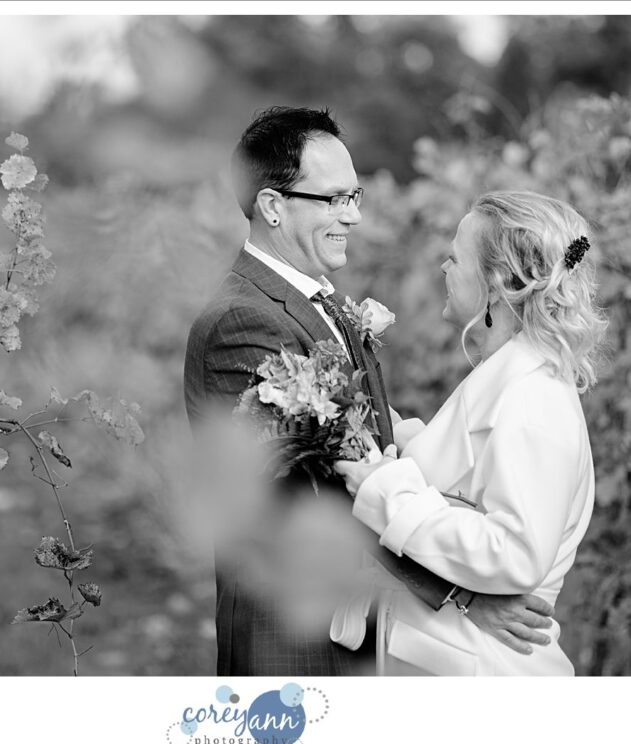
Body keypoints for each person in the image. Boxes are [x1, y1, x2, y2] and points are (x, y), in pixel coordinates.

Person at [183, 107, 556, 676]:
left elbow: (362, 446)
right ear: (273, 206)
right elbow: (320, 485)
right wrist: (462, 593)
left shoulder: (320, 301)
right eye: (333, 200)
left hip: (355, 619)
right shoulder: (242, 321)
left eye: (354, 196)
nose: (353, 216)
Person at [335, 190, 608, 675]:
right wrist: (394, 436)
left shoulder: (533, 398)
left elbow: (517, 553)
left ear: (500, 281)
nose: (443, 267)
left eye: (455, 257)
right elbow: (468, 481)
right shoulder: (508, 377)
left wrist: (387, 490)